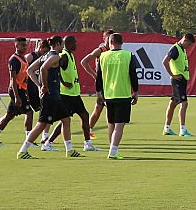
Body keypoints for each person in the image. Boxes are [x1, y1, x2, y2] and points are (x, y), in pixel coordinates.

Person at [18, 36, 81, 159]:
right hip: (50, 96)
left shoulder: (44, 56)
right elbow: (43, 68)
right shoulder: (55, 56)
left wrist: (39, 85)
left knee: (66, 119)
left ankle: (70, 150)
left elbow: (30, 70)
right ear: (57, 44)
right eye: (62, 44)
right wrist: (44, 86)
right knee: (41, 125)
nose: (63, 47)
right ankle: (22, 150)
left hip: (54, 96)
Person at [95, 32, 140, 160]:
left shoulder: (103, 56)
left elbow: (98, 77)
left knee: (111, 124)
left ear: (110, 42)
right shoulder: (128, 55)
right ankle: (113, 151)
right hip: (123, 94)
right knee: (119, 126)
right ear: (122, 42)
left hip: (108, 95)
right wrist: (135, 92)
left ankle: (112, 148)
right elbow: (133, 75)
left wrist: (98, 93)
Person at [0, 37, 32, 146]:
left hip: (21, 90)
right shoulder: (14, 59)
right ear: (16, 46)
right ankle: (29, 140)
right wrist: (17, 96)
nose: (25, 47)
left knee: (9, 115)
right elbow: (13, 79)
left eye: (25, 45)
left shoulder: (24, 58)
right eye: (23, 45)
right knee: (29, 112)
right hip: (16, 90)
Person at [59, 36, 98, 152]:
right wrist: (63, 82)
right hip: (66, 95)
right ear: (70, 44)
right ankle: (48, 142)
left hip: (74, 94)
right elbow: (54, 69)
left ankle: (88, 143)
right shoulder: (64, 56)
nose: (76, 45)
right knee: (65, 120)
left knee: (84, 116)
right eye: (75, 43)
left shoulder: (70, 54)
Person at [80, 29, 114, 139]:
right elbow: (84, 62)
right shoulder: (100, 50)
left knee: (99, 108)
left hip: (111, 83)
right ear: (104, 39)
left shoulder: (115, 51)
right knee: (107, 107)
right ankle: (111, 134)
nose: (109, 40)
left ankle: (88, 130)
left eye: (111, 38)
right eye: (107, 38)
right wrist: (94, 75)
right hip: (103, 84)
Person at [162, 33, 196, 137]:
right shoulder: (175, 49)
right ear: (184, 40)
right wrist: (173, 75)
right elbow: (165, 61)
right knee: (184, 103)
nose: (189, 46)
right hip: (178, 80)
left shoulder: (182, 50)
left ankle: (166, 128)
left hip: (182, 80)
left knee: (173, 103)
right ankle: (183, 129)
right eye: (189, 44)